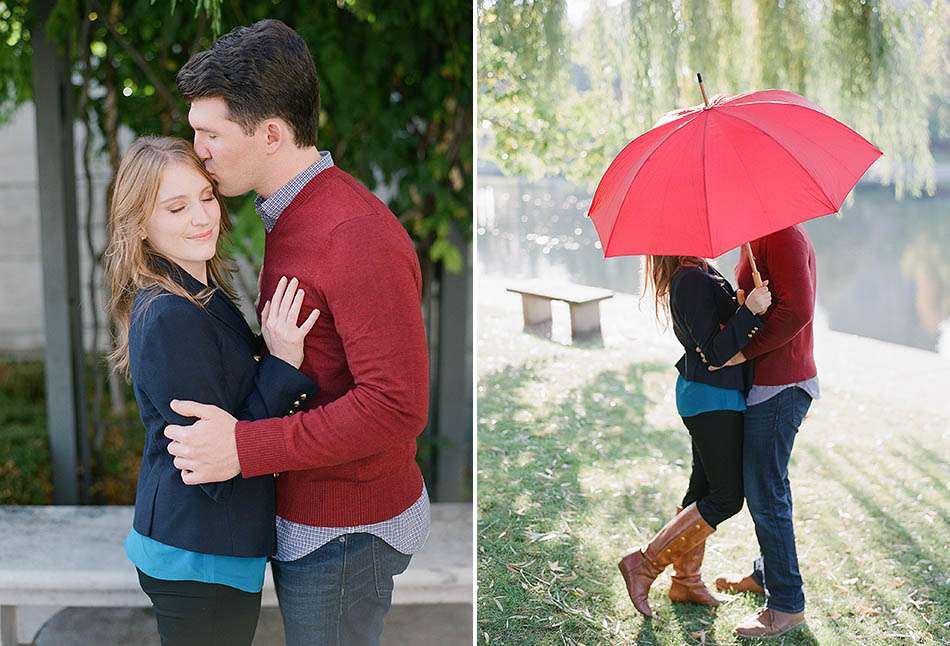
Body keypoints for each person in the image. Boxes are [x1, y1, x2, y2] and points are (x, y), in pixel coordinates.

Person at [159, 20, 431, 646]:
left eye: (211, 134)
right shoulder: (294, 217)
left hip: (346, 532)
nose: (197, 148)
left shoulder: (352, 234)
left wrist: (245, 447)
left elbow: (397, 406)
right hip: (308, 515)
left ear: (271, 134)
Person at [105, 136, 320, 646]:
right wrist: (284, 363)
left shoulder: (196, 293)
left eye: (205, 197)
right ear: (140, 225)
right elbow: (212, 461)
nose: (201, 217)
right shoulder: (170, 315)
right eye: (176, 207)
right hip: (198, 555)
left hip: (205, 547)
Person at [618, 254, 771, 618]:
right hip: (711, 398)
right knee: (727, 497)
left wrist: (745, 305)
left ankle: (686, 582)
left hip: (713, 396)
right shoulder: (691, 280)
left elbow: (716, 336)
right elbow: (714, 353)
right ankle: (644, 564)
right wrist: (749, 311)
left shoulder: (700, 271)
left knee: (701, 491)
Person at [715, 225, 820, 639]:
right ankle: (765, 574)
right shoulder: (755, 240)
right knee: (766, 486)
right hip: (764, 382)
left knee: (764, 491)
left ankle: (786, 604)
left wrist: (740, 353)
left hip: (783, 383)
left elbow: (798, 312)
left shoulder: (784, 236)